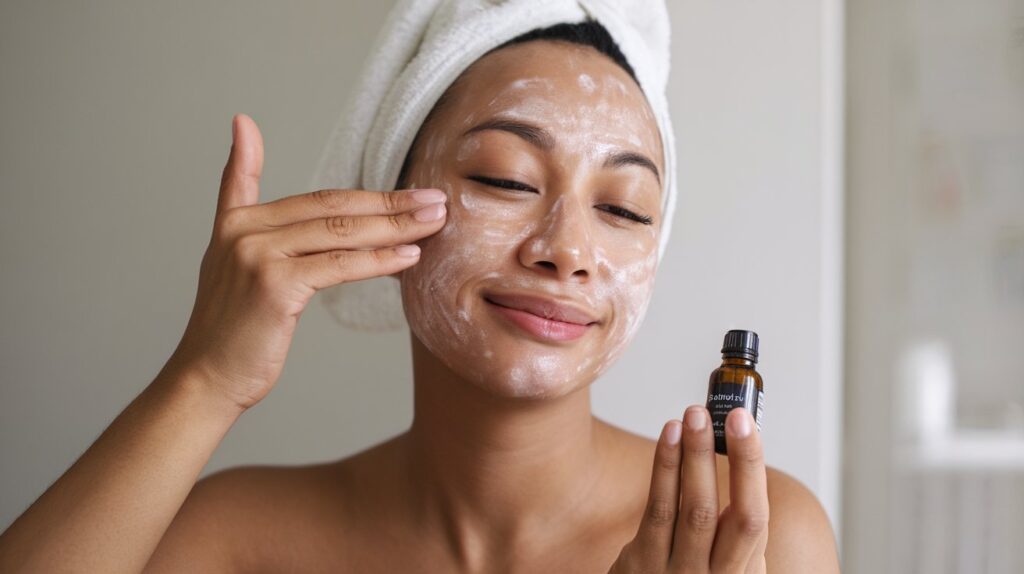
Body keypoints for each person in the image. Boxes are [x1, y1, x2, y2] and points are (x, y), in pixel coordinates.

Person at [0, 12, 840, 574]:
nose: (569, 251)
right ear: (387, 201)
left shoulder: (749, 535)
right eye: (504, 178)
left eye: (623, 207)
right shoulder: (238, 541)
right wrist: (204, 379)